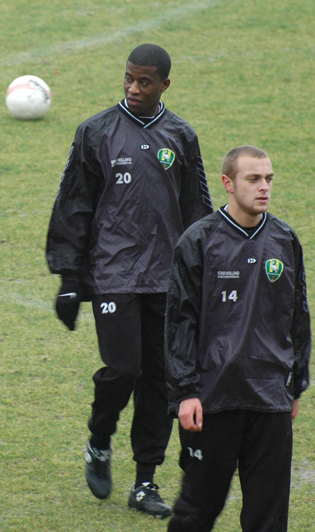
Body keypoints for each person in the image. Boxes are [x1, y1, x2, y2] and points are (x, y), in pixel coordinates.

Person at [45, 43, 212, 518]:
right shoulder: (96, 132)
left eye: (144, 82)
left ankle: (145, 482)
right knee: (124, 369)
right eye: (128, 79)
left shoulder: (181, 135)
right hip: (112, 272)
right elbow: (74, 204)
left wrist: (202, 277)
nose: (133, 89)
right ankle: (100, 438)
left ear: (164, 85)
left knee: (159, 380)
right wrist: (69, 278)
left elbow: (197, 211)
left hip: (166, 278)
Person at [164, 145, 311, 531]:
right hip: (213, 399)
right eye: (254, 179)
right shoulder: (198, 241)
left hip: (269, 398)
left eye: (268, 179)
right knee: (197, 511)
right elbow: (180, 321)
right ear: (228, 184)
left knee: (268, 517)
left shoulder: (284, 239)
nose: (264, 187)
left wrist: (295, 384)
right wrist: (186, 391)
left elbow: (297, 315)